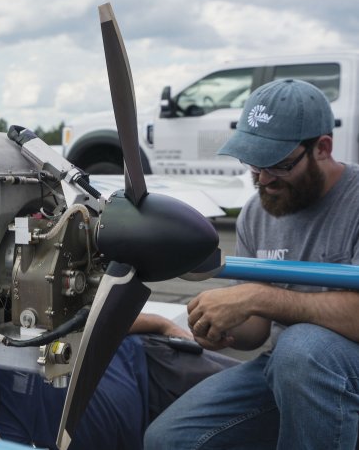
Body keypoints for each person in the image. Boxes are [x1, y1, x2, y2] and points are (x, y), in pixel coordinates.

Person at [144, 78, 359, 449]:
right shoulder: (256, 215)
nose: (261, 179)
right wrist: (221, 330)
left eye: (277, 164)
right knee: (170, 439)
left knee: (301, 347)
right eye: (252, 162)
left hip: (323, 365)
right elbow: (256, 332)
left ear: (323, 148)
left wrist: (259, 297)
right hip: (293, 372)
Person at [0, 313, 239, 450]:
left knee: (267, 396)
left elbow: (88, 322)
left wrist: (161, 324)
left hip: (149, 363)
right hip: (152, 436)